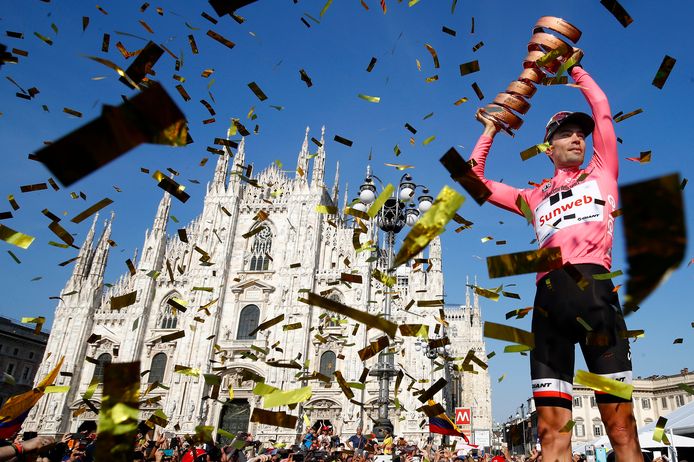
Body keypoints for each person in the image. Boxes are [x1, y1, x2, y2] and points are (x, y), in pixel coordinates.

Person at [470, 48, 642, 461]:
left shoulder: (603, 171)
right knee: (551, 437)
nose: (577, 137)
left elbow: (600, 108)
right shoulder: (533, 196)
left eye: (579, 133)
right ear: (548, 147)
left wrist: (573, 69)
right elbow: (473, 179)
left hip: (597, 298)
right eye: (566, 133)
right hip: (547, 308)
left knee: (621, 431)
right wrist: (491, 129)